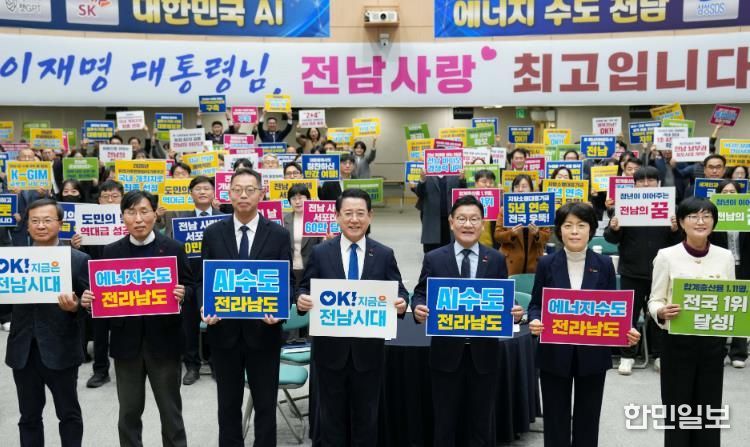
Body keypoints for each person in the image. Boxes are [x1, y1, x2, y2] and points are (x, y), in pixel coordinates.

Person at [296, 188, 409, 447]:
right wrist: (301, 300)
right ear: (337, 216)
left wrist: (402, 303)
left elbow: (400, 291)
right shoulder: (321, 252)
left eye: (360, 213)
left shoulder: (384, 254)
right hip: (329, 352)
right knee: (331, 420)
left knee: (366, 420)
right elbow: (304, 288)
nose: (354, 219)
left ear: (370, 216)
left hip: (368, 353)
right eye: (348, 213)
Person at [81, 190, 194, 447]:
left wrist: (183, 293)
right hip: (126, 343)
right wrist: (90, 302)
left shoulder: (173, 248)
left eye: (144, 211)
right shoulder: (111, 251)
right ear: (123, 217)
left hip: (164, 342)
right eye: (131, 212)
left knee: (171, 413)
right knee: (129, 413)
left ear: (155, 214)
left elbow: (190, 286)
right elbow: (103, 295)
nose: (138, 219)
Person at [412, 195, 523, 447]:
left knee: (481, 422)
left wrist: (515, 310)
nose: (468, 224)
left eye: (474, 219)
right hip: (445, 354)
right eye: (461, 218)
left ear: (482, 224)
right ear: (451, 222)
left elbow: (504, 297)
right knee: (444, 422)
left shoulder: (495, 258)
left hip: (484, 355)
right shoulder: (434, 258)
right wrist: (418, 306)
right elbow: (420, 293)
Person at [529, 202, 640, 447]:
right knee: (555, 418)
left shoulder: (604, 264)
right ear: (559, 230)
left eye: (581, 225)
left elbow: (613, 308)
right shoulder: (547, 264)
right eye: (568, 225)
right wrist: (535, 319)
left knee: (588, 418)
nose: (574, 231)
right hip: (555, 352)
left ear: (591, 229)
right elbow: (536, 304)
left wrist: (626, 330)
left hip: (592, 353)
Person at [200, 168, 292, 447]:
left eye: (250, 190)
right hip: (223, 332)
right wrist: (204, 308)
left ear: (261, 194)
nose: (243, 195)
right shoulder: (213, 233)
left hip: (264, 331)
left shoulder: (278, 234)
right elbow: (205, 279)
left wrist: (280, 312)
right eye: (237, 189)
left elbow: (287, 281)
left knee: (265, 404)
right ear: (228, 194)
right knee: (227, 404)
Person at [648, 196, 735, 447]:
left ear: (714, 222)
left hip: (712, 344)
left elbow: (731, 299)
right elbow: (655, 299)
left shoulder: (725, 256)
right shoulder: (666, 256)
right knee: (678, 410)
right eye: (693, 216)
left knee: (709, 409)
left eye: (706, 216)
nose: (700, 221)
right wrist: (661, 312)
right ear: (681, 222)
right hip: (677, 343)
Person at [2, 199, 90, 447]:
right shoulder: (11, 259)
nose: (41, 226)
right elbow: (5, 307)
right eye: (35, 221)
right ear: (27, 225)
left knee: (68, 414)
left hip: (61, 349)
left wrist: (75, 307)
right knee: (28, 417)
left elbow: (92, 306)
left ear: (60, 224)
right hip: (23, 350)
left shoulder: (78, 259)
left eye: (47, 220)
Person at [604, 166, 680, 375]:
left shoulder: (670, 207)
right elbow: (611, 238)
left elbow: (680, 241)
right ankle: (627, 356)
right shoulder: (624, 205)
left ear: (658, 183)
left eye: (651, 180)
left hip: (661, 272)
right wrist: (614, 228)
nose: (646, 184)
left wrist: (676, 229)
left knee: (660, 315)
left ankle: (660, 355)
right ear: (634, 184)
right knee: (628, 315)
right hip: (631, 270)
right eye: (641, 181)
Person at [161, 176, 224, 384]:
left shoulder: (224, 219)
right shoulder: (181, 220)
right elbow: (171, 247)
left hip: (216, 279)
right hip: (188, 278)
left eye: (207, 188)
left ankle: (216, 363)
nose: (203, 192)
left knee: (217, 322)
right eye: (198, 189)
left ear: (214, 193)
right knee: (189, 326)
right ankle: (192, 366)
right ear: (191, 194)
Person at [71, 180, 124, 388]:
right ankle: (101, 371)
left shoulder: (130, 220)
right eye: (105, 196)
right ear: (99, 200)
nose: (110, 200)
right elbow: (82, 259)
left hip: (126, 282)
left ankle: (127, 369)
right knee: (100, 331)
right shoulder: (88, 224)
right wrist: (77, 246)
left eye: (115, 196)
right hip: (97, 285)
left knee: (125, 330)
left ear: (122, 198)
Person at [708, 179, 750, 368]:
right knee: (719, 307)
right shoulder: (712, 216)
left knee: (742, 307)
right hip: (720, 267)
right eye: (724, 192)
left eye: (732, 192)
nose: (728, 195)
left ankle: (739, 352)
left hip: (744, 266)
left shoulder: (747, 215)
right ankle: (718, 351)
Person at [494, 174, 551, 275]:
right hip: (511, 262)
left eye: (524, 186)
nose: (520, 190)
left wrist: (537, 234)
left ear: (531, 190)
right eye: (516, 186)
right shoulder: (504, 209)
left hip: (534, 261)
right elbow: (497, 236)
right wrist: (511, 233)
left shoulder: (541, 208)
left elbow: (547, 236)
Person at [415, 169, 467, 253]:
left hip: (451, 218)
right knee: (431, 251)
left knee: (451, 249)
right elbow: (419, 193)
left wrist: (462, 180)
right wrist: (422, 180)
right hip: (432, 218)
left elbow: (463, 193)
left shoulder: (455, 173)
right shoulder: (427, 173)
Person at [283, 184, 322, 287]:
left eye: (301, 198)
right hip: (290, 269)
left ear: (308, 199)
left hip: (311, 269)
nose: (297, 202)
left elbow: (322, 245)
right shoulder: (284, 220)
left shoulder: (317, 220)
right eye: (293, 199)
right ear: (289, 201)